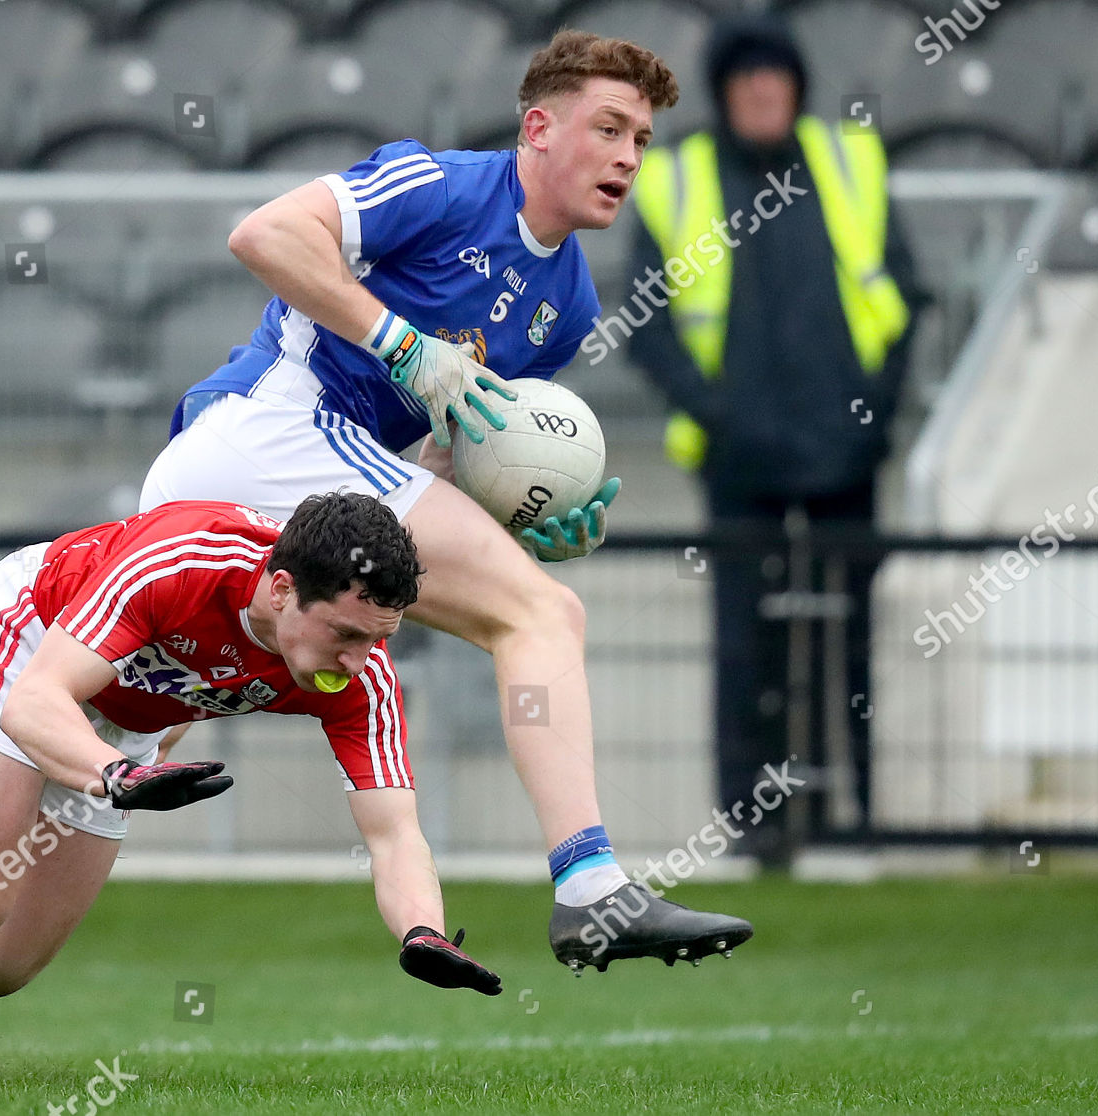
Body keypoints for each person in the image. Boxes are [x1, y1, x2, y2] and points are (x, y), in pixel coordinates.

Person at [136, 27, 752, 971]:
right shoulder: (439, 185)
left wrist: (530, 519)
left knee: (121, 737)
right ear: (539, 127)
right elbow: (262, 234)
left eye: (642, 141)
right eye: (610, 128)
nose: (628, 157)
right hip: (261, 431)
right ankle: (591, 890)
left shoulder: (572, 306)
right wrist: (402, 342)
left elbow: (438, 467)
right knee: (541, 617)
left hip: (303, 485)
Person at [0, 493, 504, 1083]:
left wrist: (421, 932)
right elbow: (39, 703)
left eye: (378, 639)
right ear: (282, 589)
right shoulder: (181, 565)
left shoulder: (361, 673)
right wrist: (112, 777)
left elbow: (394, 832)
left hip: (131, 716)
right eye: (347, 634)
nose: (360, 661)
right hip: (34, 648)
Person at [622, 14, 921, 863]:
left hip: (846, 452)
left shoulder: (848, 161)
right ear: (723, 93)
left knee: (848, 638)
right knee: (745, 642)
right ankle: (753, 825)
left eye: (777, 79)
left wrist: (875, 414)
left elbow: (904, 298)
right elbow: (646, 327)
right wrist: (719, 418)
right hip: (739, 460)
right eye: (748, 80)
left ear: (796, 88)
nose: (764, 93)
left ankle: (853, 812)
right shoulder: (676, 178)